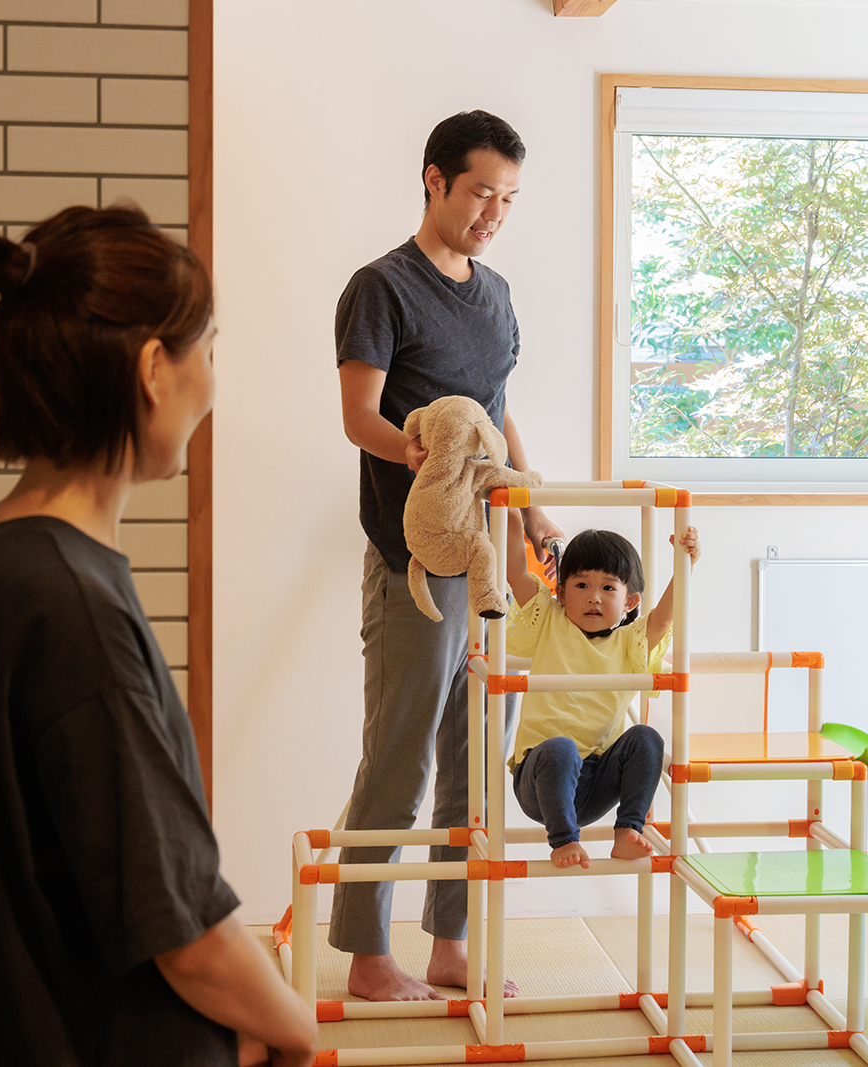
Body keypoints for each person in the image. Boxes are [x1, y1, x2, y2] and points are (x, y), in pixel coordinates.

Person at [0, 206, 317, 1067]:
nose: (212, 383)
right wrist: (298, 1029)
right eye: (209, 351)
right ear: (153, 369)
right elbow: (187, 933)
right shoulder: (70, 604)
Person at [333, 110, 563, 1002]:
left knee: (477, 760)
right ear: (434, 180)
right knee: (400, 754)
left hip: (489, 568)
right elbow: (360, 416)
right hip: (414, 565)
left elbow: (499, 414)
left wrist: (533, 513)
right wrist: (419, 451)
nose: (493, 213)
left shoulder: (496, 293)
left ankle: (450, 946)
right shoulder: (381, 288)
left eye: (508, 199)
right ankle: (366, 955)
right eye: (480, 193)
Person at [502, 515, 701, 870]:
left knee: (647, 738)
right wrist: (514, 514)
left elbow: (663, 617)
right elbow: (516, 574)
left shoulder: (629, 643)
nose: (594, 597)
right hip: (541, 776)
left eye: (608, 588)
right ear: (562, 593)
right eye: (581, 585)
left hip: (595, 782)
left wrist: (685, 564)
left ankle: (628, 830)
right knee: (561, 748)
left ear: (629, 602)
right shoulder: (549, 620)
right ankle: (563, 839)